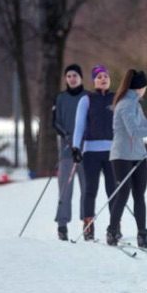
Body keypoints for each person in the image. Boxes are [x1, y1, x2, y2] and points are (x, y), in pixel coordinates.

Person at [106, 69, 147, 248]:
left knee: (139, 195)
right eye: (145, 87)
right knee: (123, 194)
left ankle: (142, 233)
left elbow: (145, 124)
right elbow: (133, 132)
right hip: (122, 155)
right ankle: (112, 230)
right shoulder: (125, 105)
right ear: (140, 87)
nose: (145, 90)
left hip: (138, 155)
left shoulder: (135, 104)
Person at [72, 64, 116, 241]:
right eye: (99, 77)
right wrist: (76, 147)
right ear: (94, 81)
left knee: (113, 190)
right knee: (90, 189)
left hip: (113, 152)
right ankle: (88, 225)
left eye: (105, 76)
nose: (103, 79)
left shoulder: (116, 99)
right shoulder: (86, 99)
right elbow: (79, 125)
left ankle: (114, 227)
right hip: (91, 151)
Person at [53, 64, 87, 241]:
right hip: (67, 150)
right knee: (65, 188)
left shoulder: (88, 97)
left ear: (81, 77)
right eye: (69, 76)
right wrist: (66, 136)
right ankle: (62, 224)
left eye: (75, 75)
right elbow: (55, 122)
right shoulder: (61, 98)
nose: (72, 78)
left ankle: (87, 222)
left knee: (87, 189)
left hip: (86, 150)